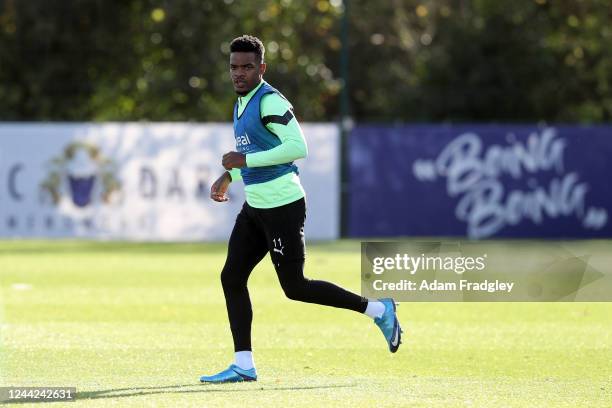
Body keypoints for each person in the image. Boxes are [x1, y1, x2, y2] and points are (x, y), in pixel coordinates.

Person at [200, 35, 402, 384]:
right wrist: (229, 175)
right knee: (231, 277)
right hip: (255, 207)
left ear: (262, 68)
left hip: (283, 207)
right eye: (234, 67)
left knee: (295, 287)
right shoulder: (241, 101)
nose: (239, 73)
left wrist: (242, 160)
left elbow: (297, 147)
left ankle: (379, 309)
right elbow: (254, 147)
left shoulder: (269, 100)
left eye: (248, 67)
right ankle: (244, 364)